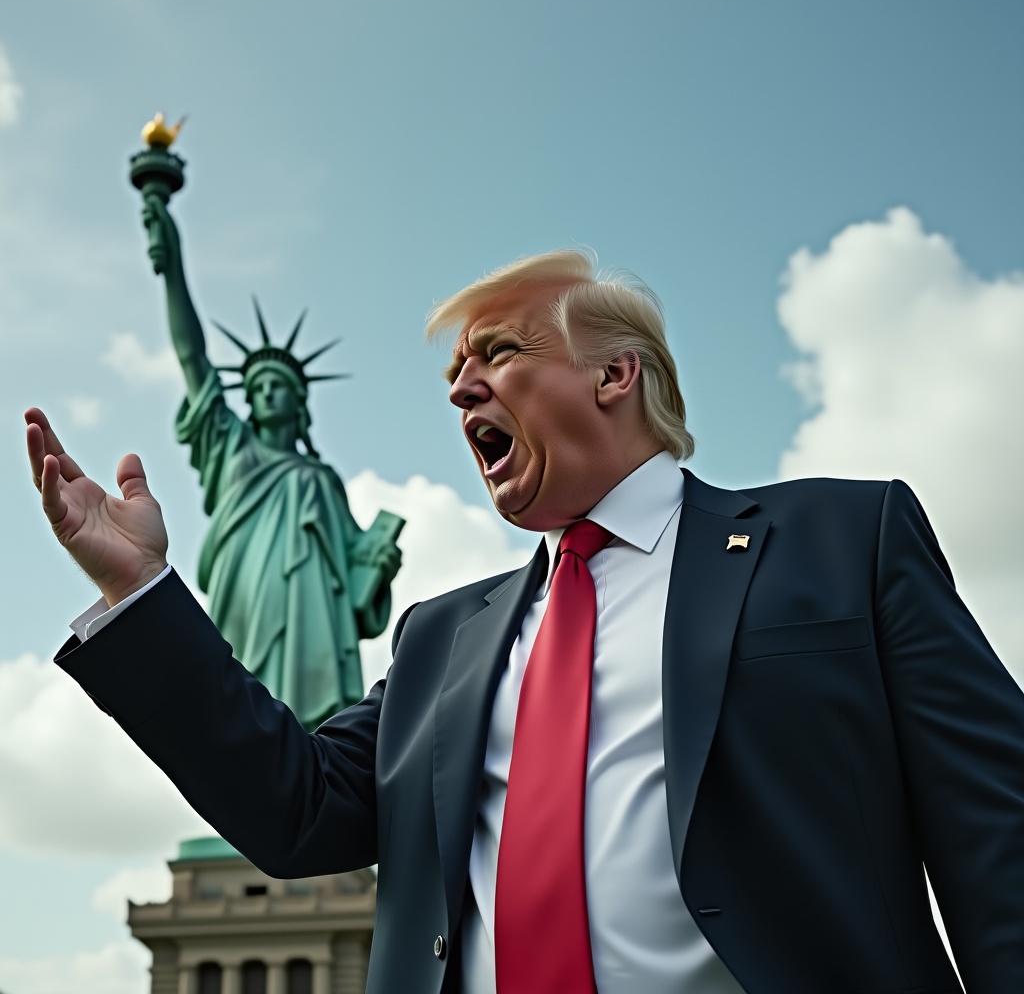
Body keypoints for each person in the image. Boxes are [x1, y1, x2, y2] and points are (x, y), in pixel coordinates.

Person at [26, 250, 1024, 993]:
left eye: (497, 353)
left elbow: (997, 838)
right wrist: (143, 596)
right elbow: (294, 809)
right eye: (454, 373)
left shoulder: (841, 540)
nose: (461, 387)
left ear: (614, 375)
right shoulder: (441, 641)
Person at [135, 195, 401, 728]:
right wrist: (174, 266)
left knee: (312, 737)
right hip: (247, 590)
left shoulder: (321, 480)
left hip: (314, 619)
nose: (265, 395)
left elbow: (352, 578)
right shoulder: (230, 443)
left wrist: (376, 564)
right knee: (241, 710)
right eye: (256, 387)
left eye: (278, 386)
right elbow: (193, 358)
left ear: (299, 402)